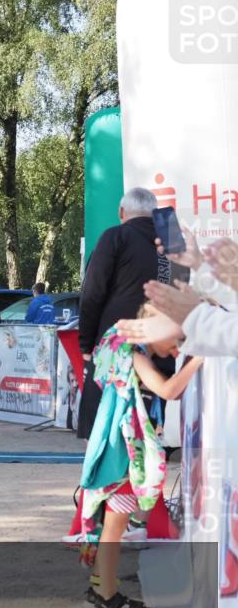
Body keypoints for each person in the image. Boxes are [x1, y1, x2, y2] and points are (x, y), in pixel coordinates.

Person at [76, 305, 202, 608]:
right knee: (116, 522)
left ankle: (102, 588)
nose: (176, 349)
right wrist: (200, 359)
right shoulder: (134, 354)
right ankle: (105, 596)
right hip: (122, 447)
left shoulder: (114, 342)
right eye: (174, 341)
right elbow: (169, 390)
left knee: (113, 521)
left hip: (109, 441)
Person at [76, 187, 188, 440]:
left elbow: (93, 293)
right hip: (161, 342)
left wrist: (86, 343)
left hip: (119, 342)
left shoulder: (116, 236)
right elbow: (184, 290)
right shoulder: (172, 240)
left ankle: (113, 472)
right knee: (149, 419)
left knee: (110, 424)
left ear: (122, 212)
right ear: (155, 212)